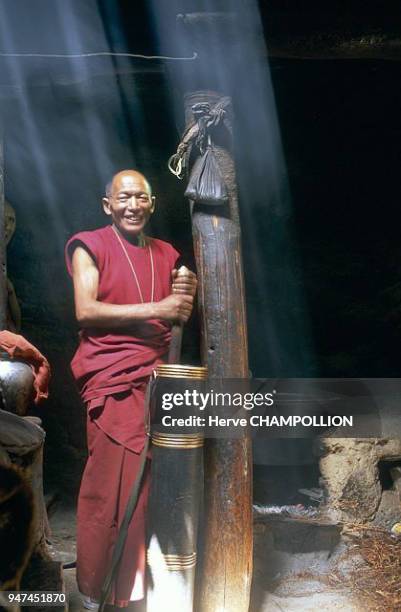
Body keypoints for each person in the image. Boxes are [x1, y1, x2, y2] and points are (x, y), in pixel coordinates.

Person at [65, 170, 197, 609]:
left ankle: (134, 588)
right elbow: (86, 310)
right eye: (124, 197)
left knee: (145, 494)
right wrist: (162, 306)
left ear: (152, 203)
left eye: (141, 197)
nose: (132, 205)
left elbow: (179, 314)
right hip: (113, 380)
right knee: (107, 490)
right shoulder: (90, 245)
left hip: (157, 382)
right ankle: (95, 587)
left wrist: (186, 295)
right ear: (109, 205)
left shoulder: (166, 254)